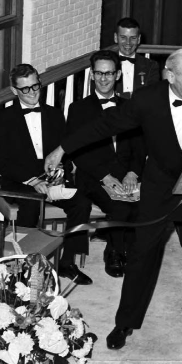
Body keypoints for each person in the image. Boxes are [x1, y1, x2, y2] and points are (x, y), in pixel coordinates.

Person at [45, 49, 182, 350]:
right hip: (160, 186)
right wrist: (62, 149)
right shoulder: (147, 99)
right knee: (141, 257)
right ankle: (124, 323)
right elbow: (105, 125)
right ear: (170, 75)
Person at [0, 63, 93, 285]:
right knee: (30, 205)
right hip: (19, 180)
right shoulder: (2, 118)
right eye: (25, 89)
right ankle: (23, 270)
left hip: (51, 179)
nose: (33, 92)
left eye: (35, 86)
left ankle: (67, 263)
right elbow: (2, 161)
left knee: (82, 204)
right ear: (14, 90)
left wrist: (60, 170)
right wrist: (33, 180)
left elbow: (63, 152)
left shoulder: (55, 114)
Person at [67, 51, 145, 278]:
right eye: (99, 73)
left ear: (117, 74)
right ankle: (115, 253)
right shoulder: (78, 109)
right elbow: (77, 151)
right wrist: (105, 177)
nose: (103, 78)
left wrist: (133, 172)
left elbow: (140, 146)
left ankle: (133, 251)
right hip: (92, 176)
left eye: (109, 73)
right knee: (120, 207)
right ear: (92, 75)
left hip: (126, 174)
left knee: (145, 204)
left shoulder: (130, 106)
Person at [113, 17, 160, 98]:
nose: (128, 43)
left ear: (138, 39)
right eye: (123, 37)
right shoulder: (107, 64)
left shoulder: (151, 66)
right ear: (116, 38)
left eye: (133, 38)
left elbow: (152, 96)